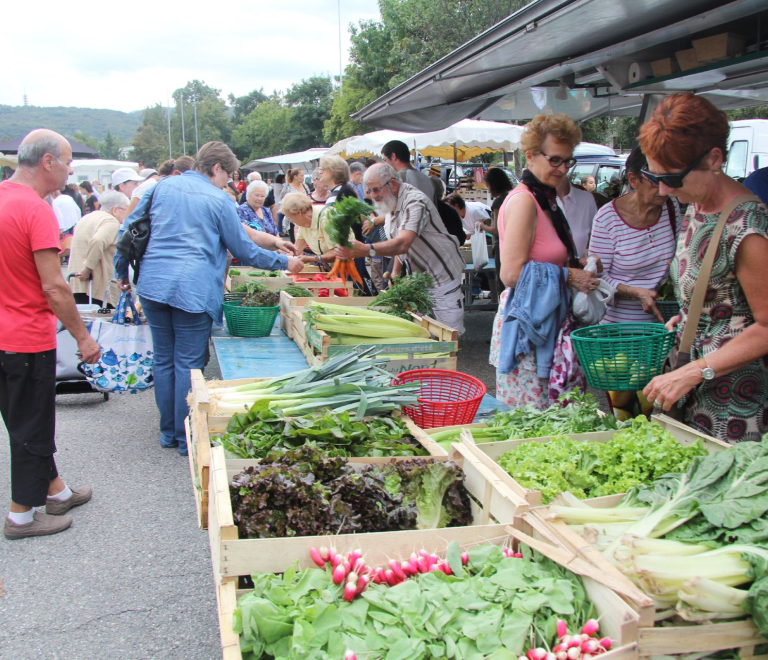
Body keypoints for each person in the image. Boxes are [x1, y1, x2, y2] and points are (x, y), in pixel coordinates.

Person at [115, 141, 303, 456]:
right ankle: (184, 436)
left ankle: (168, 433)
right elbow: (242, 249)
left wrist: (121, 272)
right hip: (194, 287)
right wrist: (284, 262)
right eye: (228, 176)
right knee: (188, 363)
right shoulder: (219, 200)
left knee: (164, 359)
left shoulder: (162, 186)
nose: (229, 183)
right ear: (216, 168)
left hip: (152, 283)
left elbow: (129, 229)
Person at [638, 93, 768, 443]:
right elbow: (721, 296)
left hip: (734, 403)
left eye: (673, 178)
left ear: (714, 159)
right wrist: (692, 317)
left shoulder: (748, 227)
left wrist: (696, 370)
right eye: (654, 176)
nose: (663, 189)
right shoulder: (695, 204)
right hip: (694, 388)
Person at [0, 129, 101, 540]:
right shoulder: (37, 210)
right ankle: (21, 517)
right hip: (26, 336)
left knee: (22, 420)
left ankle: (56, 491)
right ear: (47, 162)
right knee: (33, 427)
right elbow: (54, 286)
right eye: (66, 161)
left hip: (4, 331)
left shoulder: (4, 196)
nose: (69, 169)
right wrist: (83, 337)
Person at [490, 114, 598, 409]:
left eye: (568, 161)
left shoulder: (544, 197)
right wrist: (570, 276)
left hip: (545, 323)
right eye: (555, 160)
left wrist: (577, 262)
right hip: (531, 331)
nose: (563, 169)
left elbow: (543, 254)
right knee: (534, 424)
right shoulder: (525, 200)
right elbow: (511, 274)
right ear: (530, 156)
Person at [334, 163, 466, 332]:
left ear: (393, 184)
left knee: (446, 335)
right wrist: (396, 271)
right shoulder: (392, 201)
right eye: (369, 191)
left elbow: (403, 243)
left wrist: (367, 249)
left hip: (442, 279)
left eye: (376, 190)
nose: (373, 196)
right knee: (423, 334)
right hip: (420, 279)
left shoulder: (415, 202)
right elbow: (399, 239)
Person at [589, 146, 679, 325]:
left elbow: (677, 257)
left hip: (662, 323)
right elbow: (597, 277)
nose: (664, 189)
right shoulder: (607, 218)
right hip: (619, 326)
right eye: (655, 181)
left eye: (668, 180)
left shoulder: (670, 206)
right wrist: (635, 292)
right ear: (634, 180)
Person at [317, 155, 377, 296]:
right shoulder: (335, 192)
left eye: (323, 169)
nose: (320, 172)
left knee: (357, 288)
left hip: (352, 250)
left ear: (332, 171)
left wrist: (371, 221)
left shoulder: (345, 190)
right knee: (350, 288)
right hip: (344, 252)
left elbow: (363, 212)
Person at [68, 189, 129, 308]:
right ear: (115, 210)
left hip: (77, 281)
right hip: (96, 284)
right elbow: (97, 240)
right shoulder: (111, 221)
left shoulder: (86, 218)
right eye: (126, 209)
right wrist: (88, 268)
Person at [282, 192, 353, 267]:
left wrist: (312, 259)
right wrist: (285, 257)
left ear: (298, 213)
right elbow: (297, 249)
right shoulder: (303, 223)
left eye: (289, 217)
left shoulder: (326, 218)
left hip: (348, 265)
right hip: (331, 267)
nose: (291, 221)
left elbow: (338, 252)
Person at [478, 167, 514, 282]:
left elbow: (496, 230)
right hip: (511, 245)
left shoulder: (498, 202)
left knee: (502, 281)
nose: (488, 191)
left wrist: (481, 226)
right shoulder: (511, 197)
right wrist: (489, 221)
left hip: (501, 247)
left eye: (488, 186)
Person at [556, 171, 598, 258]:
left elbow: (594, 236)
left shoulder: (587, 199)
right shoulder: (532, 199)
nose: (561, 167)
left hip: (580, 266)